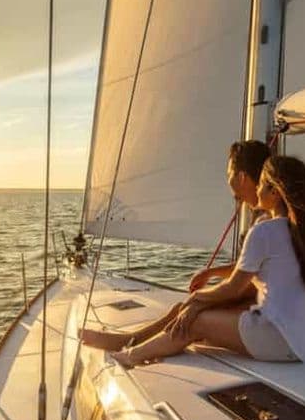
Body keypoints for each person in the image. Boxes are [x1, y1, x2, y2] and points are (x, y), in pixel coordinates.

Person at [81, 154, 305, 366]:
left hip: (279, 341)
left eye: (261, 183)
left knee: (195, 321)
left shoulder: (265, 231)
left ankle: (128, 356)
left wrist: (196, 300)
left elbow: (233, 288)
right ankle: (133, 344)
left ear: (275, 192)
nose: (257, 189)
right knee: (200, 316)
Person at [80, 139, 271, 352]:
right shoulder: (273, 218)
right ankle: (132, 341)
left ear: (242, 177)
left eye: (229, 174)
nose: (227, 182)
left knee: (188, 312)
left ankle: (131, 347)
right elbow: (251, 266)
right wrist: (211, 273)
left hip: (261, 307)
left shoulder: (266, 223)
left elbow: (240, 284)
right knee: (183, 307)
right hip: (259, 302)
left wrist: (201, 298)